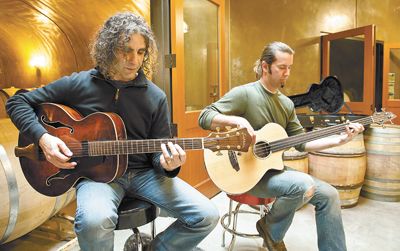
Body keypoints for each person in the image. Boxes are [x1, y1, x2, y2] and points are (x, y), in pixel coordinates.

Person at [7, 12, 219, 251]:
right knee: (93, 222)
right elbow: (16, 102)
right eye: (125, 50)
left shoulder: (156, 97)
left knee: (207, 215)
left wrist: (168, 164)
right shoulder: (79, 84)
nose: (134, 60)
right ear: (108, 49)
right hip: (97, 177)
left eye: (140, 52)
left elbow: (158, 155)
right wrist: (43, 137)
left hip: (144, 175)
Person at [198, 41, 364, 251]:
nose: (287, 73)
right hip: (245, 174)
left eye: (290, 68)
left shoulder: (286, 104)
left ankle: (273, 229)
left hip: (274, 172)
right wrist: (238, 122)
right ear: (265, 67)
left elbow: (302, 143)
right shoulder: (245, 94)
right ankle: (271, 231)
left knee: (330, 195)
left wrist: (340, 139)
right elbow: (205, 116)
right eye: (282, 67)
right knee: (303, 184)